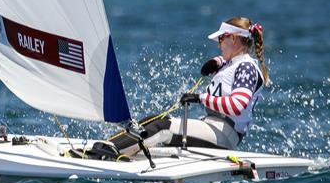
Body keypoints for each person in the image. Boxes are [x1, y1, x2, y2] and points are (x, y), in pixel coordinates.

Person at [109, 17, 269, 154]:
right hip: (213, 127)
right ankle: (108, 145)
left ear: (233, 39)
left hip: (225, 135)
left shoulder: (246, 67)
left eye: (221, 40)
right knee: (152, 120)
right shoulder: (233, 63)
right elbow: (228, 65)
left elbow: (237, 106)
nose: (219, 46)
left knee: (162, 127)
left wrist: (200, 98)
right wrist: (217, 61)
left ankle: (108, 152)